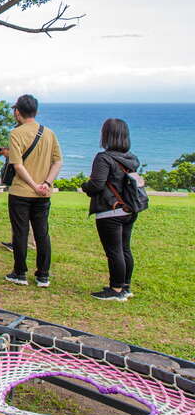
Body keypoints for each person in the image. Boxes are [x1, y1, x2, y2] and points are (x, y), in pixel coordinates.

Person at [0, 94, 62, 288]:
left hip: (21, 192)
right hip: (43, 193)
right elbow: (58, 161)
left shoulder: (16, 133)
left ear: (17, 111)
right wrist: (46, 184)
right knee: (42, 234)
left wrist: (33, 186)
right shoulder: (49, 133)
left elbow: (17, 165)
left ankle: (20, 272)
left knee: (20, 233)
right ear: (36, 111)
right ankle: (43, 275)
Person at [81, 119, 140, 301]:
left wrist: (85, 186)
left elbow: (97, 184)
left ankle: (115, 290)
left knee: (114, 251)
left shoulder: (104, 158)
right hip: (129, 209)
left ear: (106, 136)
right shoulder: (131, 158)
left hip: (110, 210)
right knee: (124, 249)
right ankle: (125, 286)